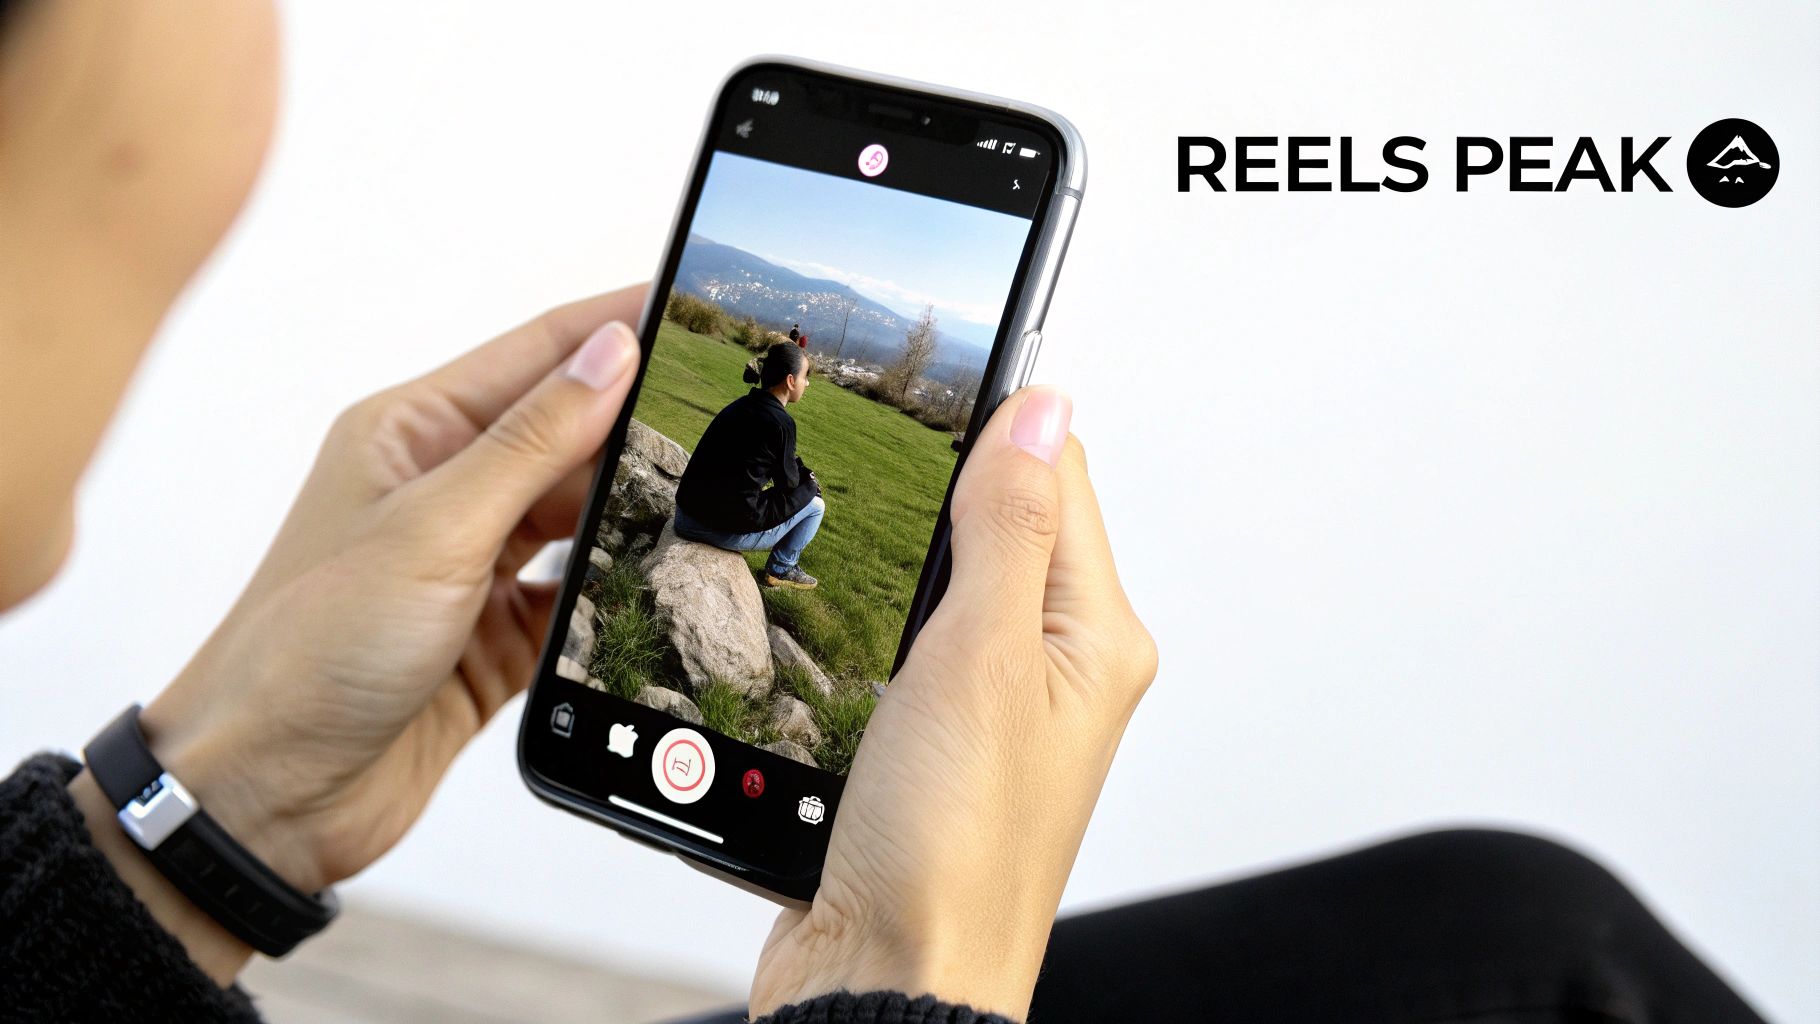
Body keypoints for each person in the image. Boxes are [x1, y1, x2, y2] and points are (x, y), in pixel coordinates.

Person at [0, 5, 1770, 1024]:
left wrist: (194, 818)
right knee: (1535, 962)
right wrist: (904, 982)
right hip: (768, 621)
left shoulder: (749, 406)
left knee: (1517, 922)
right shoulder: (775, 418)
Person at [673, 342, 824, 590]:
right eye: (805, 376)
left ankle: (781, 567)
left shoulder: (740, 405)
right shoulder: (781, 423)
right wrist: (810, 484)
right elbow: (789, 483)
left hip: (685, 515)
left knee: (800, 490)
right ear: (790, 380)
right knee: (815, 504)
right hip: (715, 528)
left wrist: (801, 474)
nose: (807, 383)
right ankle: (781, 568)